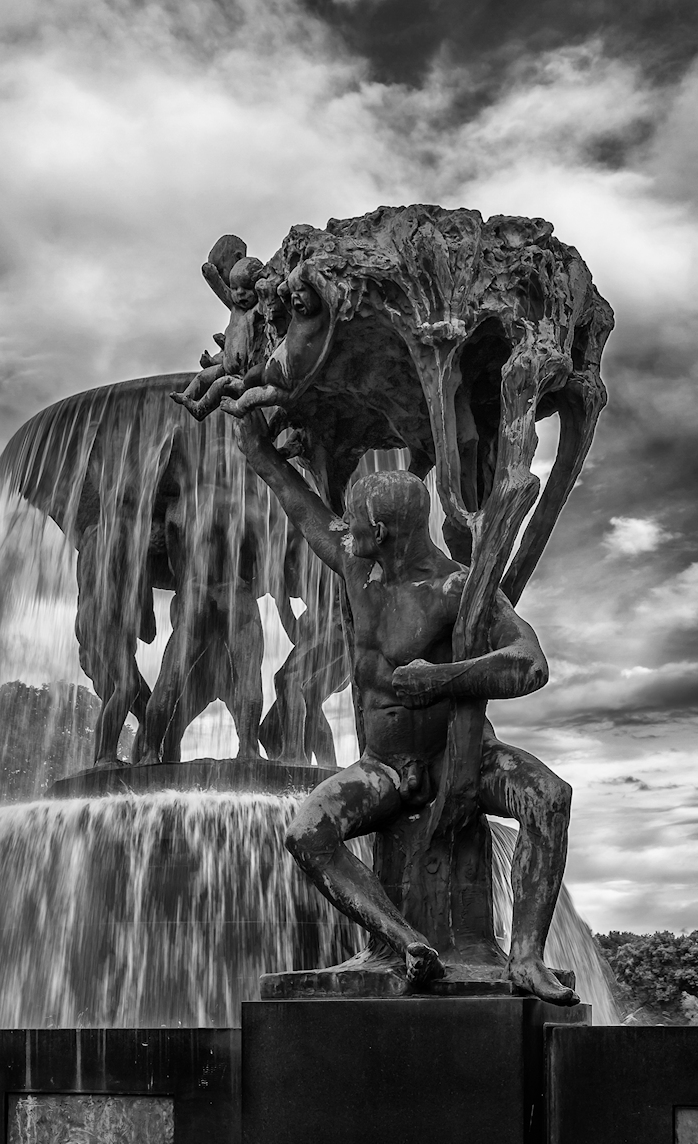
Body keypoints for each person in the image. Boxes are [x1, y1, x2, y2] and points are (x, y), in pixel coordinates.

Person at [235, 407, 577, 1004]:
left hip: (458, 760)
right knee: (306, 831)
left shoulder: (454, 588)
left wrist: (448, 676)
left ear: (384, 531)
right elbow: (302, 507)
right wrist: (259, 451)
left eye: (356, 524)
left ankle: (526, 956)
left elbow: (531, 662)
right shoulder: (355, 568)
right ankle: (406, 942)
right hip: (386, 765)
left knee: (550, 797)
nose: (344, 530)